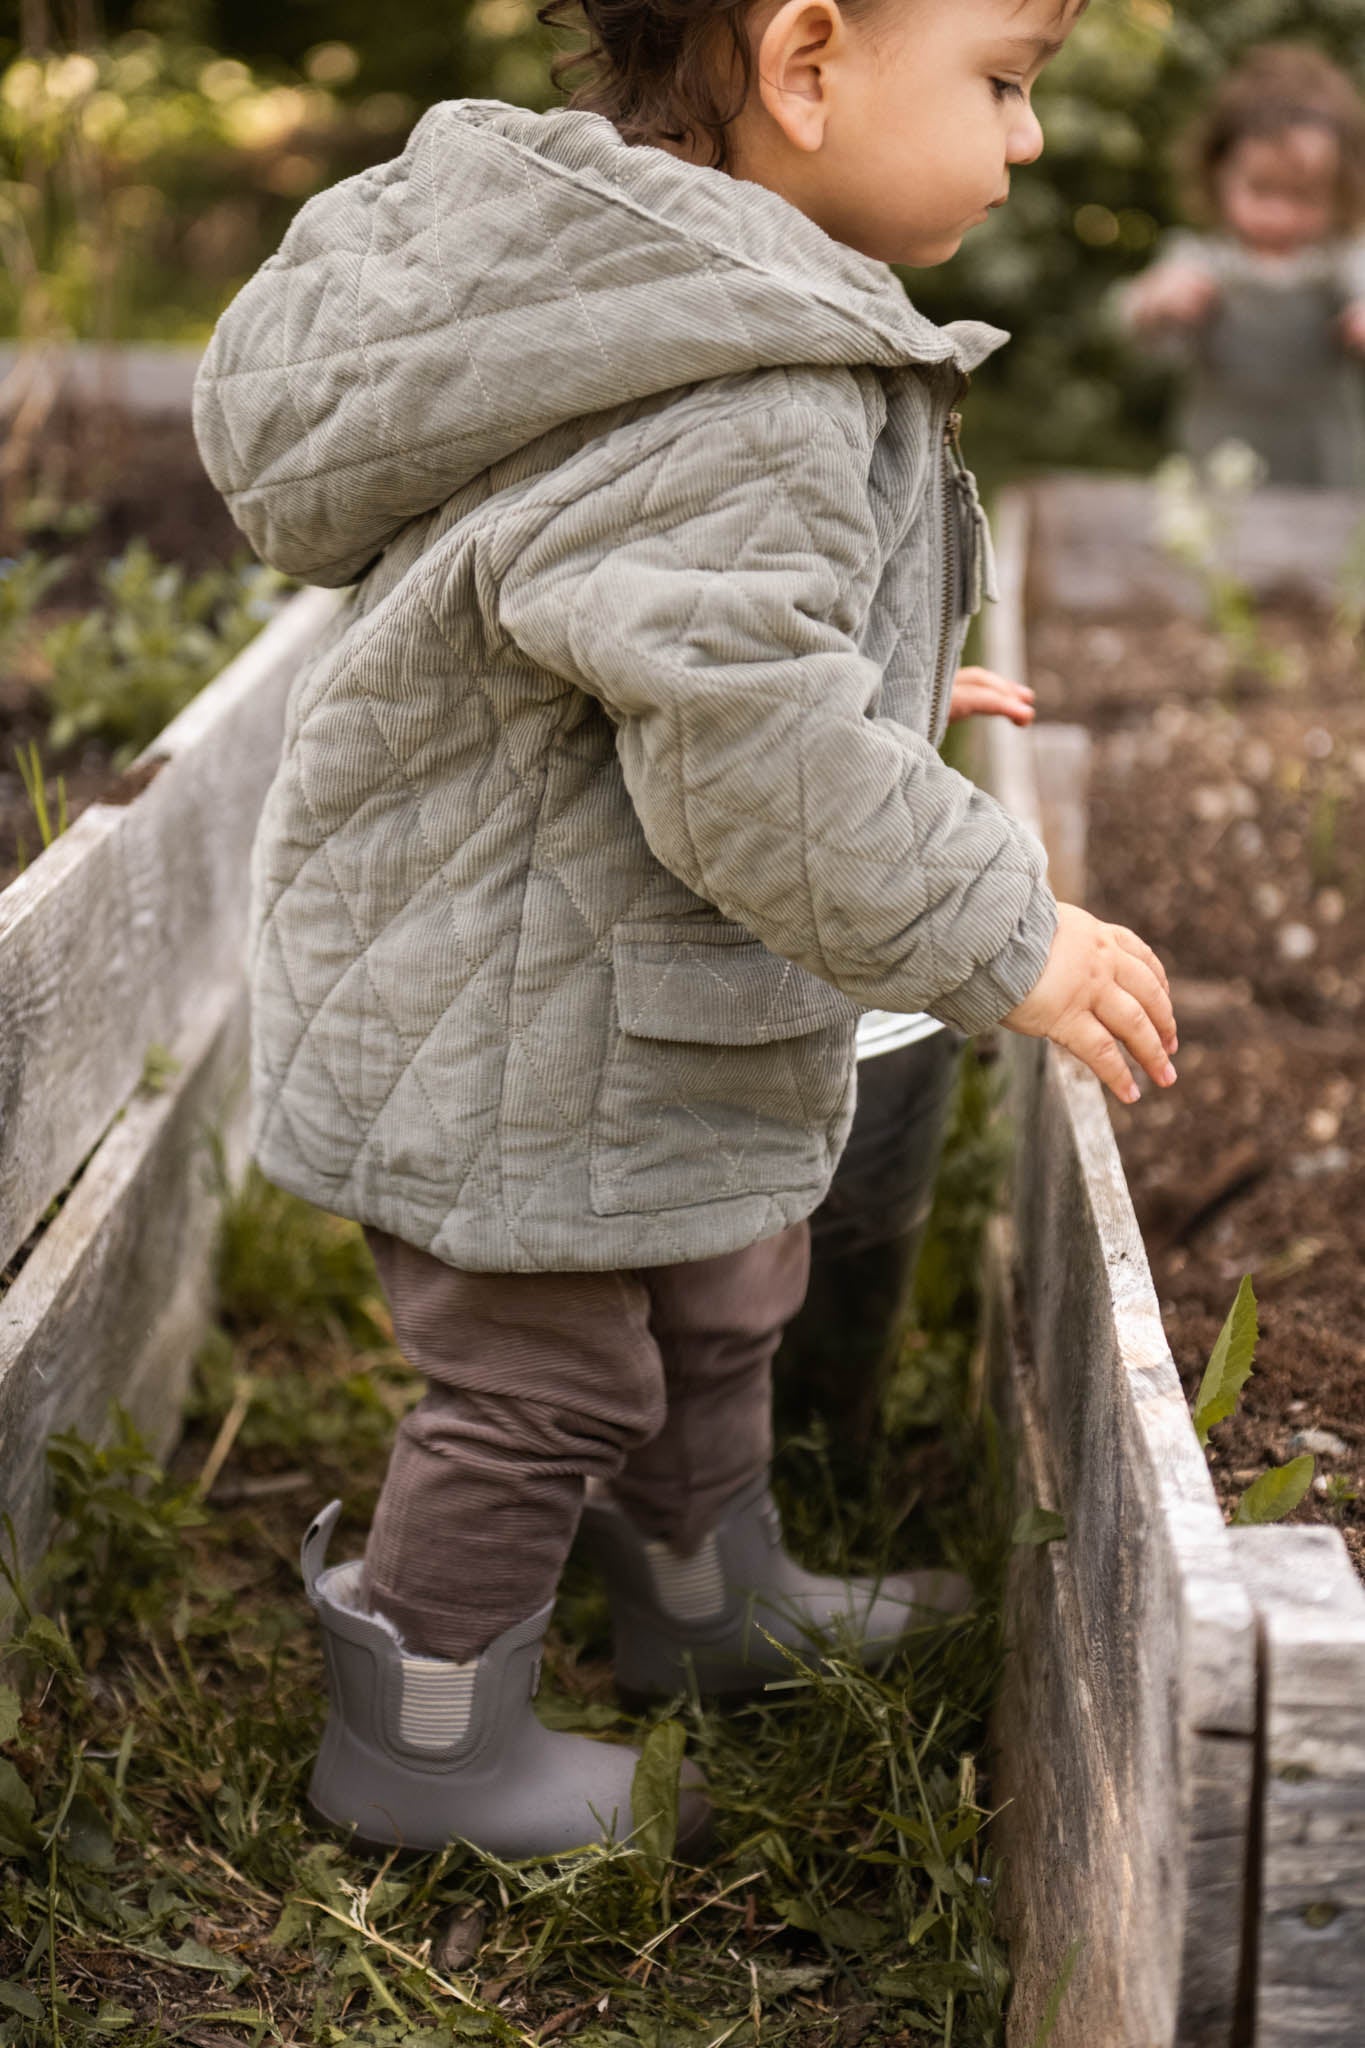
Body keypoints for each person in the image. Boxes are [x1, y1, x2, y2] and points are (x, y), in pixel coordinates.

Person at [193, 0, 1177, 1861]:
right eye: (1004, 85)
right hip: (504, 1000)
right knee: (543, 1368)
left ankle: (706, 1599)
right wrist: (1004, 931)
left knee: (726, 1274)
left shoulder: (661, 299)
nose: (1027, 140)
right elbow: (739, 744)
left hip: (588, 963)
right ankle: (422, 1725)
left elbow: (650, 625)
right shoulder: (746, 374)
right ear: (806, 65)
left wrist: (877, 671)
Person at [1122, 43, 1365, 487]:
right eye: (1260, 189)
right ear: (1218, 175)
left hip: (1325, 475)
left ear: (1342, 190)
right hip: (1218, 471)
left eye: (1304, 196)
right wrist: (1158, 302)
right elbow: (1131, 320)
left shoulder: (1342, 261)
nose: (1279, 214)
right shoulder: (1202, 260)